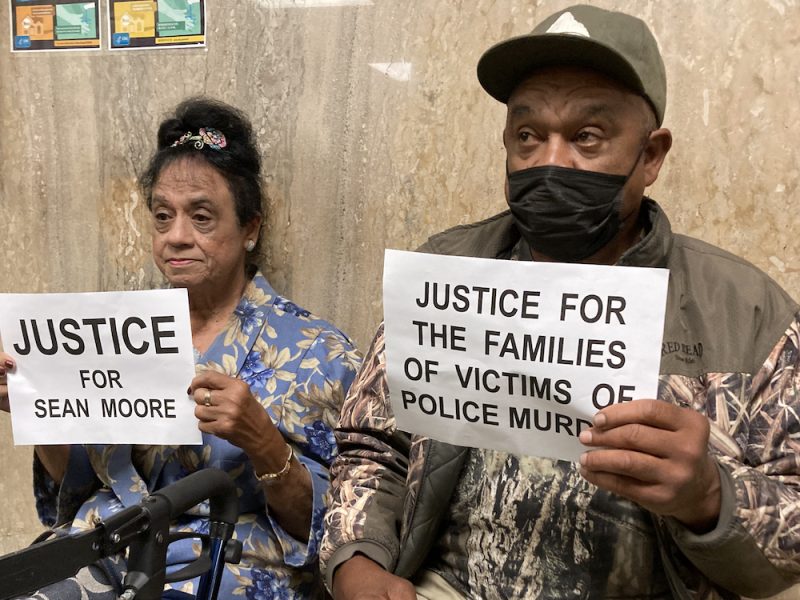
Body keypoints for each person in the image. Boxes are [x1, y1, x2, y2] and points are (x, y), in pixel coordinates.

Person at [320, 5, 800, 600]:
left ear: (651, 156)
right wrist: (356, 562)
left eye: (587, 137)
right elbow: (373, 447)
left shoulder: (747, 313)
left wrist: (708, 496)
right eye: (528, 136)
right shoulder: (447, 273)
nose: (550, 163)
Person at [0, 97, 361, 599]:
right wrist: (36, 404)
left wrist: (264, 443)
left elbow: (336, 533)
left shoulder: (318, 354)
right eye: (162, 216)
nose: (176, 237)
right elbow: (78, 486)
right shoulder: (111, 332)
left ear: (250, 227)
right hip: (98, 556)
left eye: (202, 217)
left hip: (221, 570)